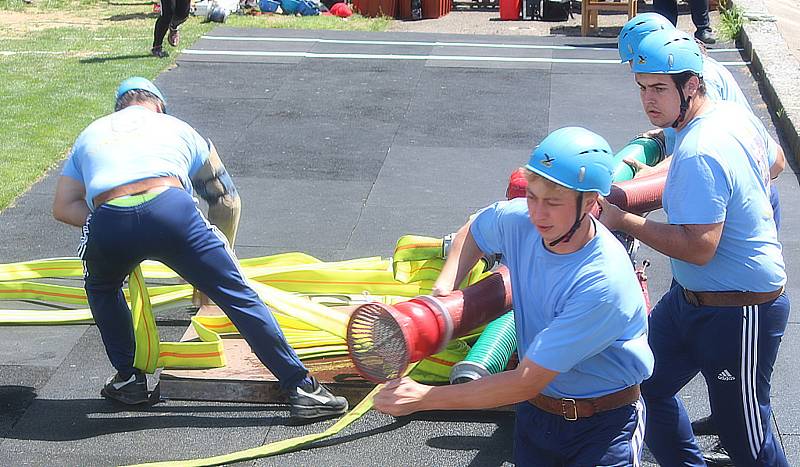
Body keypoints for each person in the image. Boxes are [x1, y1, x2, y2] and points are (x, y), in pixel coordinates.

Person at [52, 77, 348, 421]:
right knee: (238, 294)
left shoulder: (91, 133)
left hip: (109, 218)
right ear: (159, 106)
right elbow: (225, 198)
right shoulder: (177, 127)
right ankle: (301, 387)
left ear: (119, 109)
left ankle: (129, 380)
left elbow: (62, 207)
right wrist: (209, 273)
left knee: (102, 288)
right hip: (171, 210)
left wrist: (116, 227)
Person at [374, 127, 654, 466]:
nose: (537, 213)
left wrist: (425, 397)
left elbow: (525, 380)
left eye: (553, 203)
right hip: (538, 416)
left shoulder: (601, 282)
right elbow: (474, 230)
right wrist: (446, 286)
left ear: (592, 202)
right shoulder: (522, 221)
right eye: (533, 196)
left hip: (603, 425)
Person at [599, 29, 789, 466]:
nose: (649, 100)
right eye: (643, 88)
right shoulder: (726, 116)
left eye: (660, 88)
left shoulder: (702, 148)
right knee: (642, 382)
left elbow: (699, 247)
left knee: (745, 437)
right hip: (689, 301)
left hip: (740, 310)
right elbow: (775, 161)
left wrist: (623, 218)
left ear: (692, 85)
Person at [618, 16, 785, 231]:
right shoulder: (687, 76)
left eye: (640, 58)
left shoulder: (703, 82)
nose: (638, 69)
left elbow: (704, 144)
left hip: (746, 198)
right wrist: (664, 134)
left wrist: (650, 175)